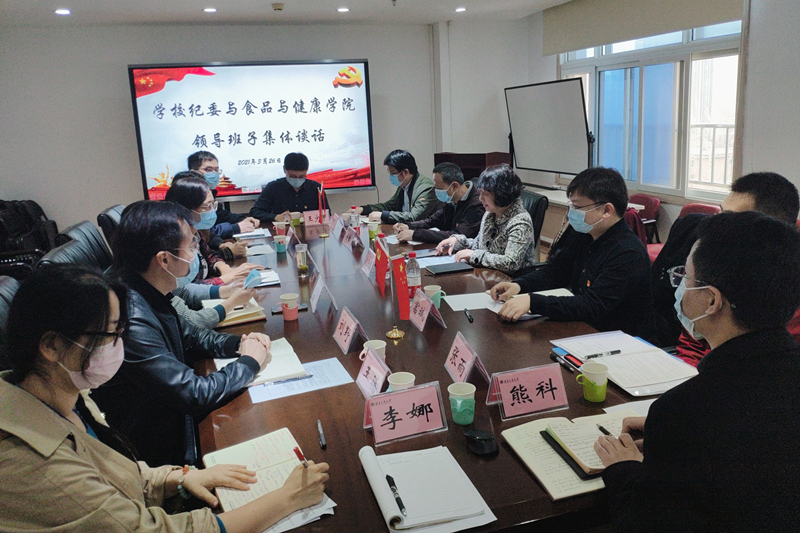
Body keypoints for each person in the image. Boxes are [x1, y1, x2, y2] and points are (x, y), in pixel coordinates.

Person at [0, 264, 329, 533]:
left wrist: (178, 478)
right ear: (52, 346)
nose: (120, 344)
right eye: (110, 334)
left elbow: (113, 473)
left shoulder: (59, 394)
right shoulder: (32, 462)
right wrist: (287, 498)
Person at [594, 211, 800, 531]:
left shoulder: (683, 410)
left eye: (686, 278)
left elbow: (644, 524)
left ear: (712, 301)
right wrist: (668, 438)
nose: (680, 286)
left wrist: (624, 468)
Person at [91, 201, 272, 467]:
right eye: (191, 245)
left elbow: (191, 336)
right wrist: (248, 363)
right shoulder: (130, 317)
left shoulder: (146, 283)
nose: (196, 251)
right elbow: (193, 394)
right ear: (164, 260)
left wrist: (240, 343)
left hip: (170, 420)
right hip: (160, 449)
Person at [490, 167, 657, 343]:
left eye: (577, 207)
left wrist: (533, 302)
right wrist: (519, 285)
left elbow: (592, 305)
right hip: (586, 329)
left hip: (624, 341)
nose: (572, 213)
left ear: (607, 210)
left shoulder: (628, 252)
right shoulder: (586, 234)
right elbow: (556, 272)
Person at [651, 171, 800, 356]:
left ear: (767, 229)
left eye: (729, 218)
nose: (716, 225)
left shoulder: (783, 293)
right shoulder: (716, 266)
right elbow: (691, 345)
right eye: (720, 213)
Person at [436, 164, 537, 276]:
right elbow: (478, 245)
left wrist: (474, 255)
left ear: (501, 194)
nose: (480, 198)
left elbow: (510, 263)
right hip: (488, 275)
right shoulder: (490, 214)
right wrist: (457, 241)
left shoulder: (520, 221)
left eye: (485, 194)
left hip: (512, 281)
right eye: (480, 193)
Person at [165, 176, 264, 287]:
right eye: (207, 206)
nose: (212, 211)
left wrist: (223, 267)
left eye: (214, 205)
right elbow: (185, 289)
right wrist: (226, 278)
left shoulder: (195, 232)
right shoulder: (173, 242)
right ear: (186, 209)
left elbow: (208, 254)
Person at [393, 162, 484, 244]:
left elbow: (457, 236)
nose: (436, 191)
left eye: (439, 188)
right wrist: (408, 226)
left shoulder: (477, 204)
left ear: (454, 186)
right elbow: (431, 221)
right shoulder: (451, 200)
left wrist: (415, 234)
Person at [355, 149, 440, 223]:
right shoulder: (403, 185)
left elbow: (414, 217)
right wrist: (364, 209)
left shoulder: (426, 189)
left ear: (405, 172)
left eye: (393, 173)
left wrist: (383, 215)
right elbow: (389, 206)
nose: (391, 177)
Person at [188, 150, 260, 236]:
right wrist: (235, 228)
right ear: (193, 172)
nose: (214, 174)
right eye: (208, 169)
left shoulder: (209, 191)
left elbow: (221, 214)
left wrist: (242, 219)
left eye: (216, 170)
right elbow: (200, 232)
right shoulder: (187, 193)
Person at [249, 152, 330, 223]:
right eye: (293, 176)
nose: (297, 180)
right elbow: (255, 212)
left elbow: (327, 214)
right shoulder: (273, 187)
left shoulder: (316, 188)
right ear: (284, 170)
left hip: (311, 232)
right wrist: (275, 217)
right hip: (281, 232)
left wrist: (308, 216)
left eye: (301, 177)